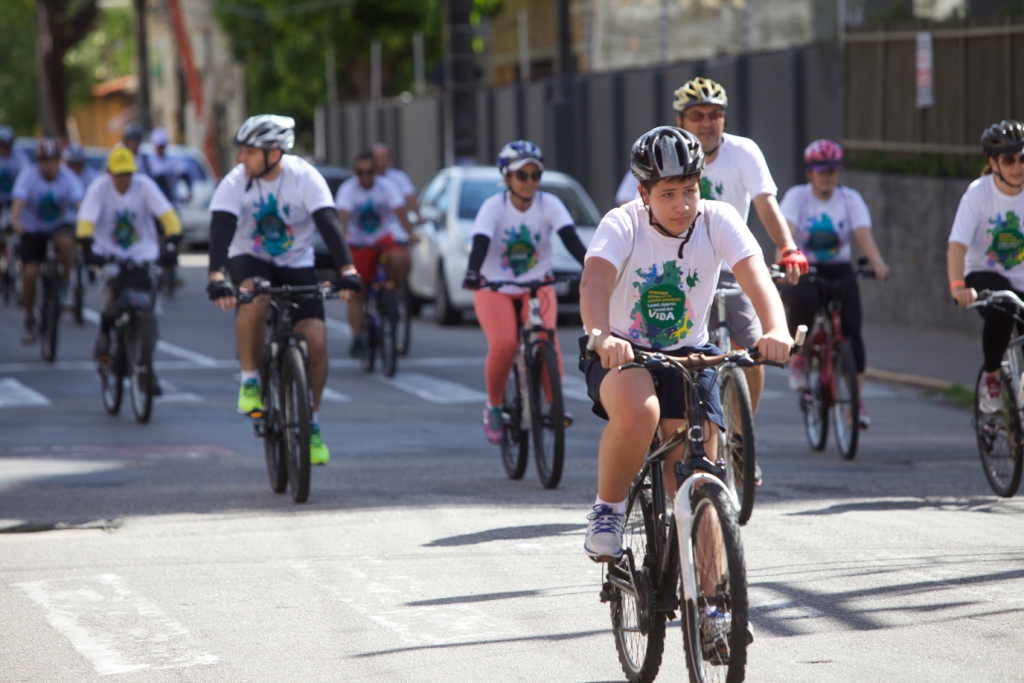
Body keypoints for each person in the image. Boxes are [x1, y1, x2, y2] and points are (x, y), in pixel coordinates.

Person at [579, 126, 792, 562]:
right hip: (624, 350)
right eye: (669, 194)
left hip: (690, 355)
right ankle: (609, 509)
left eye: (690, 190)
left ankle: (711, 611)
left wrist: (777, 329)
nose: (682, 205)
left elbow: (755, 276)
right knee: (642, 413)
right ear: (644, 193)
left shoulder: (718, 218)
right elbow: (594, 281)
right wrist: (600, 336)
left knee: (698, 484)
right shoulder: (622, 223)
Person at [672, 77, 808, 483]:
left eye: (715, 115)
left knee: (753, 346)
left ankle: (739, 434)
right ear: (681, 120)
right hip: (684, 271)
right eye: (698, 115)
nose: (707, 123)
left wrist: (786, 248)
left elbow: (766, 203)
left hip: (735, 265)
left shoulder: (743, 152)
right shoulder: (669, 152)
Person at [206, 115, 360, 466]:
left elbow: (329, 224)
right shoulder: (235, 182)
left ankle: (314, 424)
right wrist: (217, 276)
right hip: (249, 257)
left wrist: (348, 270)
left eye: (249, 151)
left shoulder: (304, 176)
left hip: (295, 261)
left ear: (274, 153)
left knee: (317, 341)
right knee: (256, 295)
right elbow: (221, 229)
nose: (241, 158)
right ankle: (249, 381)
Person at [461, 140, 588, 443]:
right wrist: (473, 273)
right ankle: (493, 406)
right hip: (495, 286)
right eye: (522, 175)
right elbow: (480, 241)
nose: (530, 182)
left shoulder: (549, 204)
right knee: (505, 343)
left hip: (538, 284)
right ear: (506, 177)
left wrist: (592, 268)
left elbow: (570, 238)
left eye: (535, 175)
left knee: (547, 339)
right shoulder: (494, 207)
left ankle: (552, 405)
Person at [780, 140, 888, 426]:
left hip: (839, 267)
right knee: (805, 302)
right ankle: (799, 357)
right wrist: (787, 258)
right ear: (809, 172)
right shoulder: (797, 197)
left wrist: (876, 261)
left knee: (852, 331)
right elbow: (787, 232)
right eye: (821, 170)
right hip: (805, 265)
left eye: (832, 170)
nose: (827, 176)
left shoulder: (849, 199)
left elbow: (862, 233)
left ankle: (855, 402)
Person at [76, 145, 181, 395]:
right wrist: (88, 247)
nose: (124, 179)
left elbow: (168, 216)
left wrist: (173, 240)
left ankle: (146, 367)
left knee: (149, 314)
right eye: (119, 174)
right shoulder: (99, 189)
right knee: (110, 303)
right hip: (108, 255)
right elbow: (85, 223)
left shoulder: (144, 186)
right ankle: (105, 336)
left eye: (128, 173)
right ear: (110, 172)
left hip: (142, 254)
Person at [948, 120, 1024, 413]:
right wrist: (958, 286)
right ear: (994, 162)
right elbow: (957, 245)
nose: (1017, 166)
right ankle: (991, 378)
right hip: (983, 274)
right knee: (1002, 307)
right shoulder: (979, 193)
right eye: (1008, 159)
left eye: (1022, 159)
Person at [335, 150, 414, 358]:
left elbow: (399, 211)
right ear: (355, 173)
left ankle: (391, 292)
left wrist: (410, 233)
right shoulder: (348, 190)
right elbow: (342, 216)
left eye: (369, 172)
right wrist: (341, 237)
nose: (365, 177)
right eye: (360, 173)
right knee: (356, 292)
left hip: (382, 238)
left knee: (401, 256)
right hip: (358, 243)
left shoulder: (386, 187)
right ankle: (357, 337)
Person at [10, 139, 84, 344]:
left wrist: (87, 225)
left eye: (52, 161)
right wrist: (15, 222)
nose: (49, 166)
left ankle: (65, 283)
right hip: (32, 228)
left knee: (67, 242)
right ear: (38, 162)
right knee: (30, 272)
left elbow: (81, 204)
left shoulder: (68, 177)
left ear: (59, 161)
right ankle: (28, 315)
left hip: (59, 226)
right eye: (44, 161)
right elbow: (18, 203)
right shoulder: (28, 176)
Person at [143, 127, 192, 207]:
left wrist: (189, 190)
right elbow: (160, 179)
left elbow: (184, 174)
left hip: (173, 202)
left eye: (162, 146)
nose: (161, 149)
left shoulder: (172, 159)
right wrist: (167, 196)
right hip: (157, 201)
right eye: (159, 146)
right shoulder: (149, 160)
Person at [372, 142, 419, 219]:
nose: (381, 160)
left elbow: (409, 196)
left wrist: (418, 215)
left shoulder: (399, 177)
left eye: (384, 157)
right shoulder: (366, 179)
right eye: (378, 157)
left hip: (396, 222)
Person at [0, 126, 30, 215]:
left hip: (15, 198)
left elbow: (26, 176)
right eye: (2, 145)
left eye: (8, 145)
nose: (5, 148)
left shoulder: (20, 156)